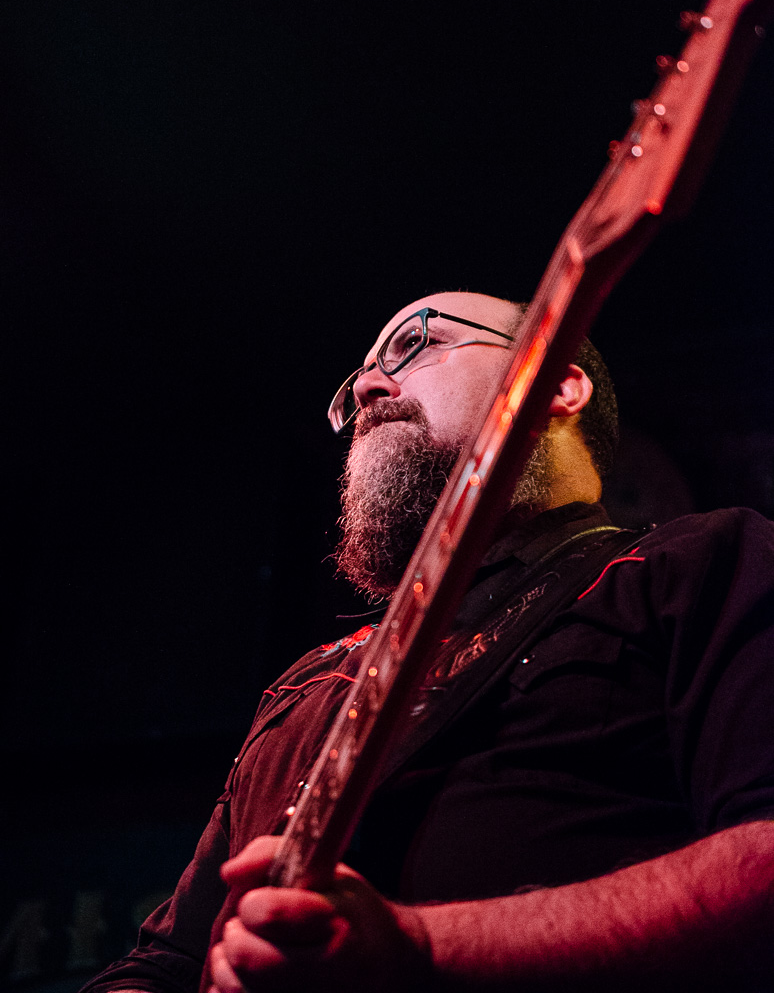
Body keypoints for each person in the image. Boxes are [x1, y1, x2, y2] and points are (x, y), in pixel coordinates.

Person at [80, 292, 774, 993]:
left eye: (414, 343)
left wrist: (423, 947)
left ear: (559, 383)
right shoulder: (306, 685)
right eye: (356, 382)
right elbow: (165, 965)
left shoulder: (696, 564)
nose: (368, 385)